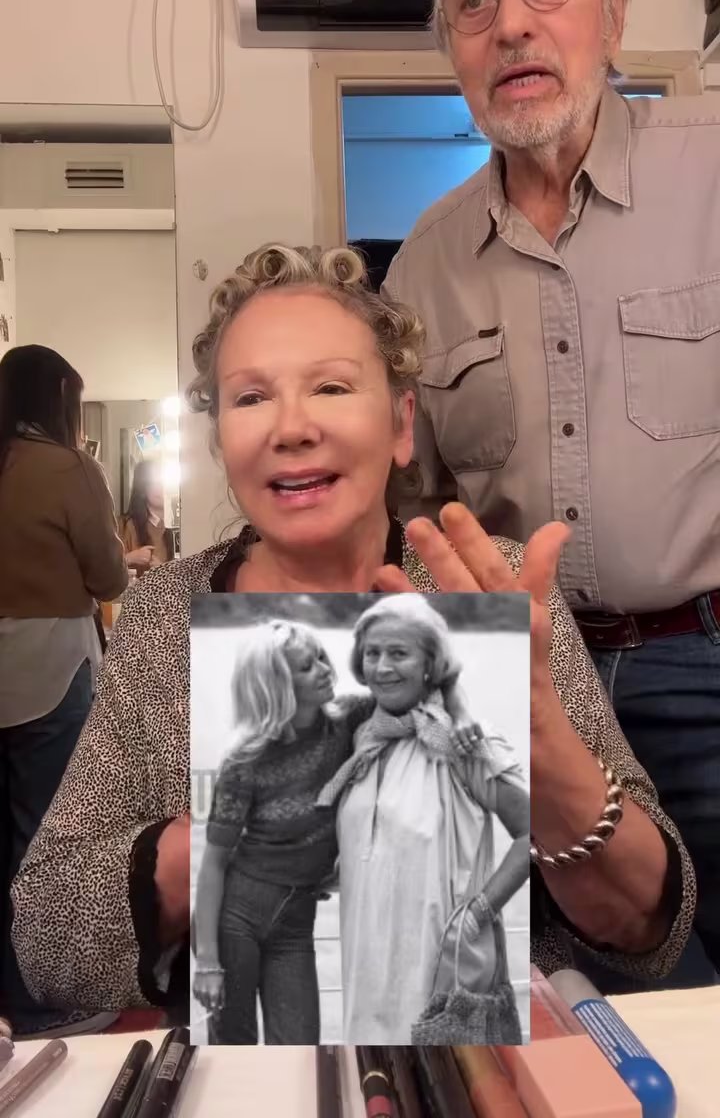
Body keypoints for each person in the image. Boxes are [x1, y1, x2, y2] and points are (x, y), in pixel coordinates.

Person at [10, 247, 693, 1022]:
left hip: (476, 1047)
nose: (292, 427)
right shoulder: (167, 613)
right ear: (221, 442)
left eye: (332, 387)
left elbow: (648, 931)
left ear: (402, 424)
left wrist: (539, 743)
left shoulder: (488, 588)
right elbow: (46, 941)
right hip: (262, 1045)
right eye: (251, 397)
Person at [382, 0, 720, 982]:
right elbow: (417, 508)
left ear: (613, 12)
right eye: (474, 2)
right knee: (598, 1007)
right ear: (455, 53)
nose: (512, 23)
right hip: (531, 691)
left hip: (708, 655)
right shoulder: (423, 262)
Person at [192, 616, 475, 1044]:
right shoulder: (244, 761)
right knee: (234, 1047)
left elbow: (429, 684)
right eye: (307, 667)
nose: (326, 669)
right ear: (277, 685)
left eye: (322, 657)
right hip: (236, 919)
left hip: (295, 922)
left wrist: (461, 720)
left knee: (301, 1046)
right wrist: (207, 963)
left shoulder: (348, 719)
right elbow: (213, 865)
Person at [316, 593, 528, 1044]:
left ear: (431, 664)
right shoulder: (361, 739)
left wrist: (479, 913)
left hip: (441, 957)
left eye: (399, 653)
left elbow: (535, 833)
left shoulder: (466, 742)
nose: (382, 667)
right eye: (372, 653)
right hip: (364, 957)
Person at [0, 344, 128, 1034]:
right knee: (48, 839)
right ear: (57, 396)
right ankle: (43, 1002)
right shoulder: (68, 468)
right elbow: (108, 577)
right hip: (49, 666)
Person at [119, 459, 173, 576]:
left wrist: (163, 569)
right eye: (154, 483)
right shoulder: (126, 525)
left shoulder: (173, 528)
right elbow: (106, 569)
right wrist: (129, 558)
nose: (161, 488)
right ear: (143, 489)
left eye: (163, 482)